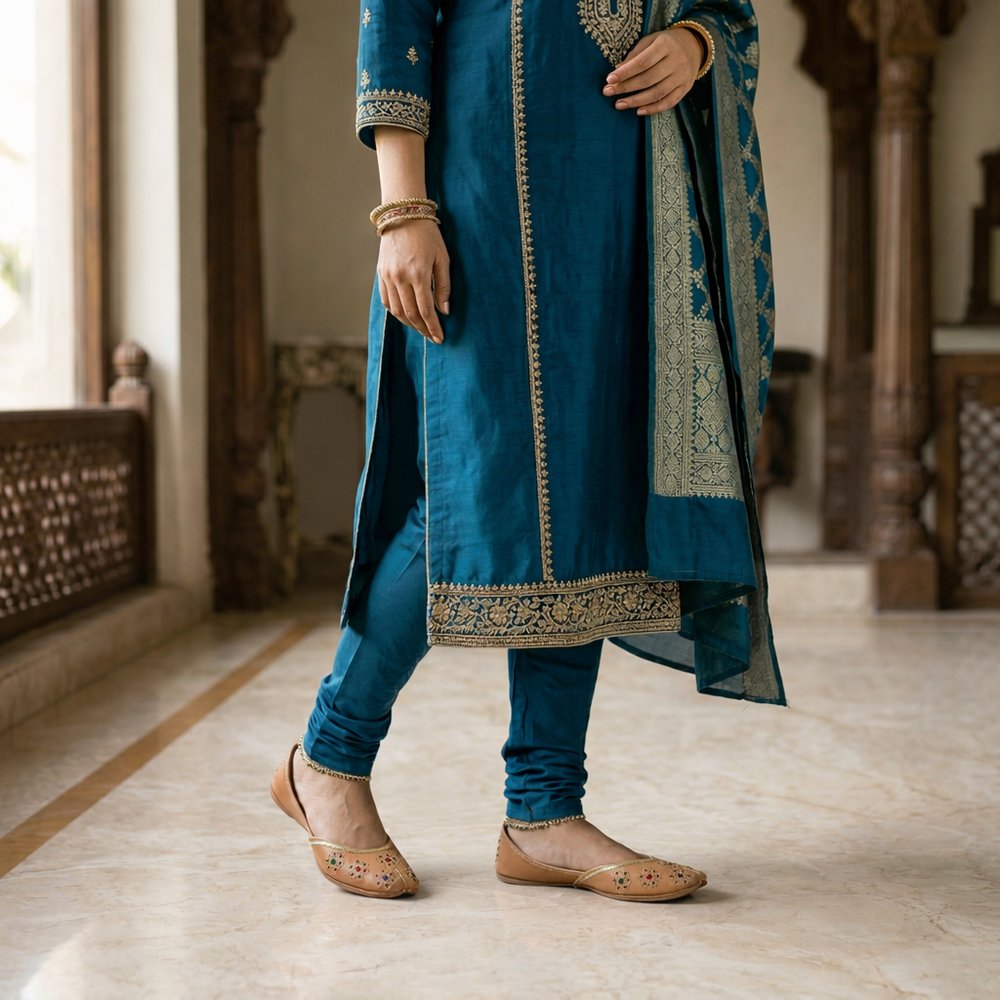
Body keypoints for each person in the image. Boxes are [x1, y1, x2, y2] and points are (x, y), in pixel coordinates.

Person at [270, 0, 786, 903]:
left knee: (587, 486)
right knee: (467, 491)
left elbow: (722, 7)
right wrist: (402, 210)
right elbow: (392, 14)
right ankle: (328, 758)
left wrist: (694, 44)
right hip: (476, 193)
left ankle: (544, 813)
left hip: (623, 203)